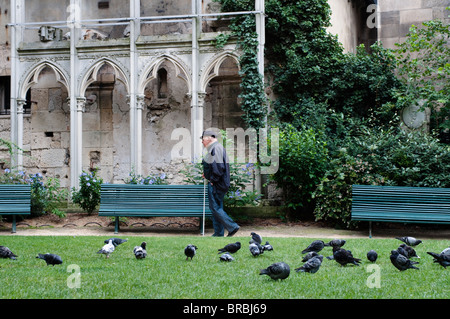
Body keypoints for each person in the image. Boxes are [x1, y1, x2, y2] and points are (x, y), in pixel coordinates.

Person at [201, 130, 240, 237]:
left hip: (217, 184)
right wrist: (207, 174)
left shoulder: (215, 148)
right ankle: (218, 233)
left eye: (203, 139)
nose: (202, 142)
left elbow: (219, 168)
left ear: (209, 138)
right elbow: (214, 167)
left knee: (215, 208)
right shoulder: (216, 148)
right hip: (218, 182)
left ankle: (232, 226)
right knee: (217, 208)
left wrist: (212, 180)